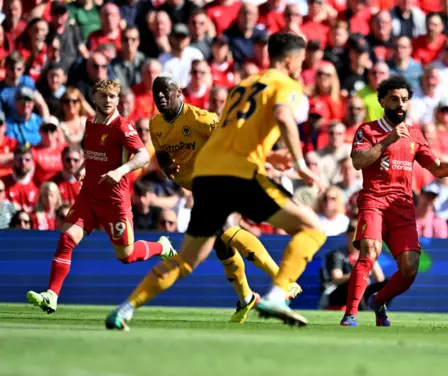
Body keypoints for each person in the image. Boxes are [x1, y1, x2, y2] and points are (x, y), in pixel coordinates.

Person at [105, 33, 327, 330]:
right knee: (312, 228)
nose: (302, 67)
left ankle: (125, 308)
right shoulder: (286, 85)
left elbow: (228, 134)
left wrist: (271, 158)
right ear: (289, 60)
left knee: (187, 260)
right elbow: (285, 117)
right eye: (301, 61)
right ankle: (277, 293)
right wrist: (300, 164)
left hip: (206, 177)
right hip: (237, 173)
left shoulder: (242, 87)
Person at [148, 73, 301, 323]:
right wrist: (168, 168)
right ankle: (246, 299)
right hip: (199, 187)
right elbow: (163, 154)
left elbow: (233, 139)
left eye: (167, 91)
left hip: (221, 178)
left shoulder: (201, 119)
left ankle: (283, 280)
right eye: (157, 92)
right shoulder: (156, 124)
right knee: (222, 243)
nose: (161, 96)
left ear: (180, 93)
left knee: (227, 230)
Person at [340, 75, 448, 327]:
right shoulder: (367, 130)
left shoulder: (415, 135)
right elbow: (358, 161)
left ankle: (378, 300)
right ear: (382, 101)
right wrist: (387, 140)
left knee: (410, 268)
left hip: (403, 206)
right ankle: (350, 313)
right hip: (374, 200)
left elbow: (438, 168)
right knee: (369, 252)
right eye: (394, 99)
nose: (400, 104)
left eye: (405, 100)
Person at [25, 80, 178, 315]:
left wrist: (120, 171)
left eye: (113, 96)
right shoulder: (90, 123)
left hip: (114, 202)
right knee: (66, 239)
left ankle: (161, 246)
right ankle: (52, 295)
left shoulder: (122, 126)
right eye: (103, 96)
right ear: (94, 99)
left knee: (126, 256)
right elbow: (95, 152)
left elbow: (142, 156)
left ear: (118, 100)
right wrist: (85, 166)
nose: (108, 100)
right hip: (89, 196)